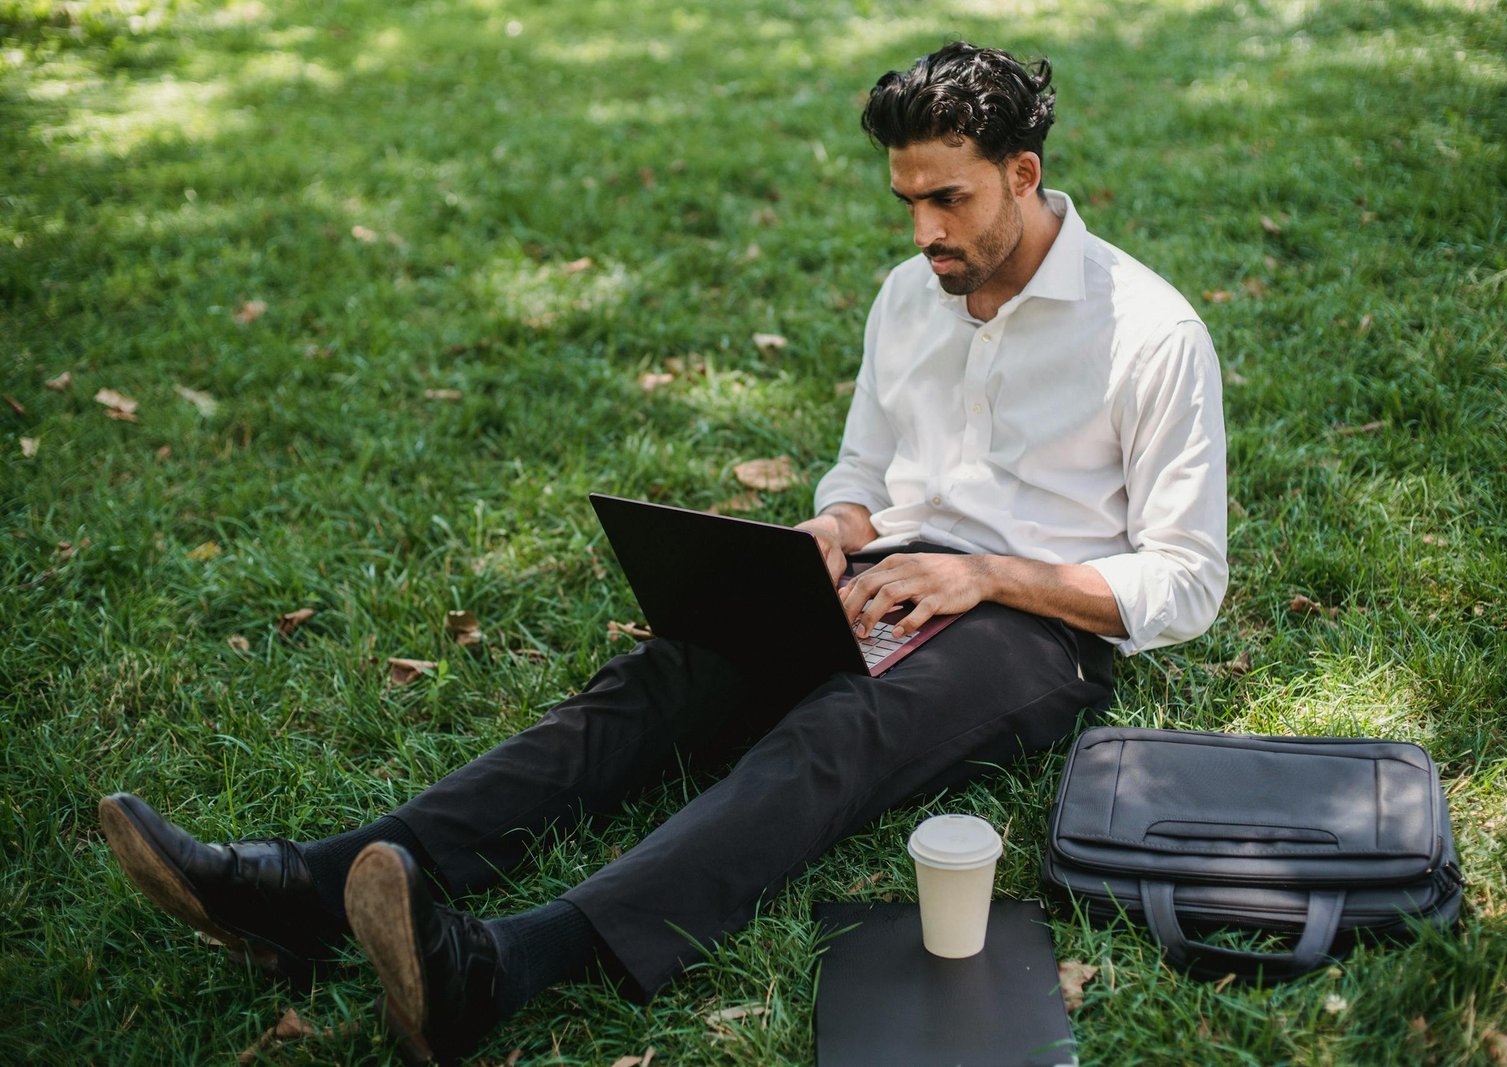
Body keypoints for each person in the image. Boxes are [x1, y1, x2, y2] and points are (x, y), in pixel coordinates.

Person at [99, 41, 1227, 1065]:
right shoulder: (909, 294)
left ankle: (500, 964)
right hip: (887, 572)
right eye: (906, 200)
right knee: (663, 676)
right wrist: (827, 535)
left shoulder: (1148, 330)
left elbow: (1186, 578)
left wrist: (985, 574)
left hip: (1040, 627)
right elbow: (862, 476)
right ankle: (305, 883)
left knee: (839, 730)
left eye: (949, 198)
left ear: (1023, 176)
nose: (923, 231)